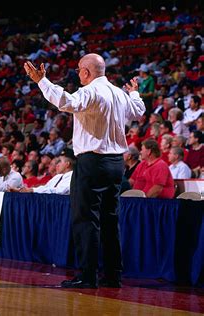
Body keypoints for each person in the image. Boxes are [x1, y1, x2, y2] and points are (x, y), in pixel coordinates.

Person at [24, 53, 145, 288]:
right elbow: (138, 111)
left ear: (87, 72)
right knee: (110, 219)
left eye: (79, 69)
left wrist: (42, 81)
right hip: (116, 164)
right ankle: (112, 275)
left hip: (92, 162)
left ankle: (88, 276)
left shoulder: (90, 91)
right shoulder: (119, 93)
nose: (78, 73)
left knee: (86, 219)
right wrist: (134, 92)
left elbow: (66, 102)